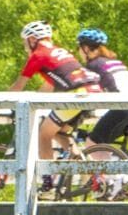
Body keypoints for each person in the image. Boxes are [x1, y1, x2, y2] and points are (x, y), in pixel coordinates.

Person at [7, 21, 102, 168]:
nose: (25, 46)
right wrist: (35, 104)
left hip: (77, 95)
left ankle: (47, 179)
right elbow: (49, 87)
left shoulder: (38, 55)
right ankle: (91, 174)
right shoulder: (59, 52)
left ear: (32, 39)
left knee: (43, 134)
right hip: (93, 90)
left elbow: (17, 87)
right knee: (59, 132)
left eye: (24, 42)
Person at [75, 29, 128, 201]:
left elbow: (96, 90)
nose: (79, 52)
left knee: (92, 142)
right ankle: (121, 175)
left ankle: (114, 182)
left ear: (86, 48)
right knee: (106, 142)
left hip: (124, 106)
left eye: (79, 48)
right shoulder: (114, 62)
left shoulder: (93, 65)